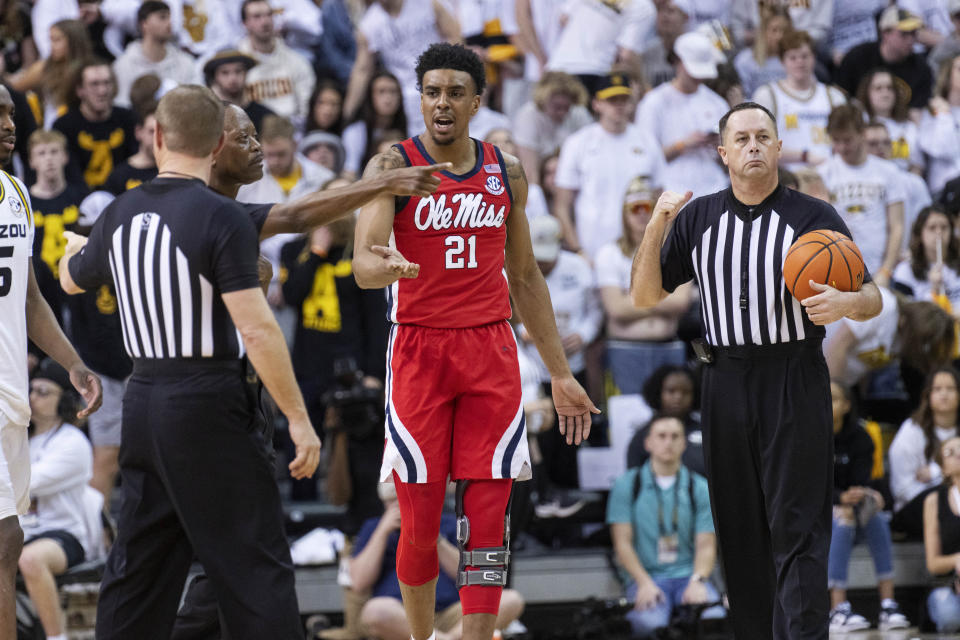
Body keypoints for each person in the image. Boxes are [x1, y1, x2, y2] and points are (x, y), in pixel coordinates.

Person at [170, 101, 452, 639]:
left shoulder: (361, 249)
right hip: (273, 375)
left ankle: (354, 533)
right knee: (243, 545)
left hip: (288, 380)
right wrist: (303, 256)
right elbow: (288, 283)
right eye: (246, 138)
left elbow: (374, 315)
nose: (256, 148)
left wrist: (375, 374)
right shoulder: (293, 241)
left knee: (238, 545)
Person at [59, 85, 321, 640]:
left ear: (156, 136)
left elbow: (70, 278)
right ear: (219, 142)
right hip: (207, 399)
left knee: (138, 569)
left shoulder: (121, 209)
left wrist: (68, 251)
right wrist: (298, 419)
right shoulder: (220, 215)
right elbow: (256, 328)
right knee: (256, 567)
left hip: (142, 400)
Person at [354, 43, 598, 640]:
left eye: (455, 92)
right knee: (418, 520)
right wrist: (389, 268)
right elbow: (363, 264)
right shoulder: (393, 164)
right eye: (432, 91)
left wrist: (562, 373)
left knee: (488, 522)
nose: (443, 102)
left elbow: (526, 277)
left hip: (490, 349)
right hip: (418, 349)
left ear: (475, 102)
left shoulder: (505, 169)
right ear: (420, 99)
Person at [631, 101, 883, 639]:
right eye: (740, 138)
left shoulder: (815, 216)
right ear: (722, 153)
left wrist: (845, 303)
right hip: (723, 381)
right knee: (740, 530)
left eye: (762, 137)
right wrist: (657, 223)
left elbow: (873, 297)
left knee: (798, 526)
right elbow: (644, 294)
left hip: (793, 375)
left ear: (778, 146)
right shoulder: (698, 218)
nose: (752, 146)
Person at [0, 83, 102, 640]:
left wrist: (72, 364)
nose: (9, 124)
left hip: (14, 385)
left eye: (12, 114)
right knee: (6, 539)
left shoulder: (17, 190)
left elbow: (30, 295)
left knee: (8, 540)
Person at [352, 480, 525, 640]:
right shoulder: (374, 527)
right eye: (393, 502)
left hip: (453, 612)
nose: (402, 507)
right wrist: (382, 531)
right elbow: (359, 582)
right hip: (401, 615)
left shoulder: (450, 523)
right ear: (385, 503)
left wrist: (432, 535)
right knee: (375, 611)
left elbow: (468, 574)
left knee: (510, 599)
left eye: (408, 500)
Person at [607, 415, 724, 639]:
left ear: (684, 443)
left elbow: (707, 545)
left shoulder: (699, 487)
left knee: (713, 619)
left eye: (675, 436)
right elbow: (622, 544)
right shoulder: (627, 485)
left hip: (688, 576)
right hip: (647, 577)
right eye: (661, 436)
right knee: (648, 625)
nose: (668, 442)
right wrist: (643, 583)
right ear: (648, 443)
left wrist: (698, 581)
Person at [20, 358, 103, 640]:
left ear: (64, 401)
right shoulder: (20, 440)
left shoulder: (72, 442)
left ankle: (57, 638)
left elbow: (25, 483)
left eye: (43, 392)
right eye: (30, 390)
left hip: (64, 535)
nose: (32, 398)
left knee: (30, 559)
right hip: (21, 532)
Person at [595, 176, 692, 396]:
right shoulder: (609, 254)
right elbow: (616, 310)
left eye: (648, 207)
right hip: (624, 350)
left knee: (670, 423)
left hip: (669, 347)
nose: (642, 213)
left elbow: (681, 302)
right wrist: (660, 295)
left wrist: (636, 298)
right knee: (625, 422)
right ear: (624, 213)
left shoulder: (676, 251)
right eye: (635, 208)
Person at [827, 380, 910, 632]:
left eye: (833, 398)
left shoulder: (861, 437)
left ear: (846, 405)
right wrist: (839, 498)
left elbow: (863, 480)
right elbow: (806, 486)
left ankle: (887, 604)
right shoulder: (807, 437)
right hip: (820, 516)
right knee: (843, 518)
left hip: (852, 507)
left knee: (876, 514)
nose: (826, 404)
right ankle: (837, 609)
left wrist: (862, 494)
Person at [554, 73, 667, 259]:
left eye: (623, 98)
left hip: (640, 249)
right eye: (611, 99)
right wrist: (578, 251)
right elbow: (562, 206)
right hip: (592, 248)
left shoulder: (647, 141)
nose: (618, 104)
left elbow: (659, 198)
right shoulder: (577, 143)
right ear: (596, 104)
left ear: (632, 103)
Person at [635, 30, 730, 199]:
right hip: (671, 190)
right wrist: (682, 145)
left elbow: (730, 161)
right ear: (677, 62)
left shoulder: (717, 103)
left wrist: (721, 146)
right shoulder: (654, 103)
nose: (698, 77)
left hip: (714, 187)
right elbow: (644, 158)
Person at [345, 0, 461, 135]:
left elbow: (454, 37)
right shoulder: (369, 25)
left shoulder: (428, 4)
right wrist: (348, 112)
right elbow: (362, 70)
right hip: (404, 99)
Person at [818, 104, 904, 285]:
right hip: (839, 269)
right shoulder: (824, 173)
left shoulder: (888, 172)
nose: (841, 147)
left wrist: (886, 271)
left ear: (862, 133)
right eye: (836, 140)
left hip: (879, 270)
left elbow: (897, 226)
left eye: (847, 140)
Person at [752, 29, 847, 170]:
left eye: (804, 56)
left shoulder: (833, 96)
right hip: (788, 179)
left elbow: (846, 137)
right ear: (782, 61)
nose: (800, 62)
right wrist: (804, 156)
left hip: (829, 174)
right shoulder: (767, 95)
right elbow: (759, 145)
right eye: (793, 57)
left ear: (814, 57)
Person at [890, 367, 960, 540]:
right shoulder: (912, 430)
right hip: (913, 507)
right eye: (937, 389)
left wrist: (935, 471)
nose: (944, 394)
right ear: (927, 396)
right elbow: (903, 490)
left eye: (950, 389)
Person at [52, 59, 138, 190]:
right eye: (94, 84)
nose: (102, 91)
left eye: (107, 83)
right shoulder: (63, 127)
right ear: (80, 90)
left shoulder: (129, 119)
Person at [836, 7, 933, 113]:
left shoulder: (921, 67)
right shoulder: (857, 58)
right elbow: (839, 97)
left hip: (901, 124)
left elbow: (916, 112)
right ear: (885, 33)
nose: (910, 39)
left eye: (913, 33)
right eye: (904, 34)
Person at [0, 19, 92, 129]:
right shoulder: (45, 67)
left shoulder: (90, 69)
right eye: (51, 40)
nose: (52, 45)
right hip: (54, 128)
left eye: (57, 40)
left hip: (85, 126)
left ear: (74, 41)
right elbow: (15, 89)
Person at [238, 0, 315, 130]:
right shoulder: (237, 64)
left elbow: (306, 109)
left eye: (269, 15)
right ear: (245, 23)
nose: (265, 21)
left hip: (290, 131)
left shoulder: (297, 61)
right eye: (257, 16)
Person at [112, 0, 200, 109]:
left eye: (170, 17)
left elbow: (197, 102)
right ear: (144, 24)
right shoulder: (124, 65)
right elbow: (122, 105)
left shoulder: (185, 63)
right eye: (162, 17)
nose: (169, 23)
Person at [511, 71, 591, 185]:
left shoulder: (579, 113)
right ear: (543, 101)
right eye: (557, 107)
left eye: (567, 107)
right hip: (540, 173)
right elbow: (529, 171)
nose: (562, 113)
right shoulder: (528, 115)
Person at [625, 365, 705, 478]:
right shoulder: (643, 435)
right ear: (658, 393)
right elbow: (633, 479)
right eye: (671, 391)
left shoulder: (705, 431)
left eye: (686, 392)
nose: (678, 397)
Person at [863, 121, 931, 252]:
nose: (881, 148)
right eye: (873, 144)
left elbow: (924, 224)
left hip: (904, 258)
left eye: (886, 142)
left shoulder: (914, 182)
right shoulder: (853, 182)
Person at [923, 435, 960, 633]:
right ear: (943, 467)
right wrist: (957, 560)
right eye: (950, 452)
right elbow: (933, 564)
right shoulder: (934, 500)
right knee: (950, 618)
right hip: (947, 585)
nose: (958, 454)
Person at [894, 205, 960, 314]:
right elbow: (907, 317)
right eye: (932, 227)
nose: (939, 232)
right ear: (920, 233)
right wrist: (933, 291)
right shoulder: (905, 271)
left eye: (944, 227)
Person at [856, 69, 924, 174]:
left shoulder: (909, 127)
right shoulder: (859, 124)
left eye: (890, 88)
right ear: (867, 93)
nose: (885, 93)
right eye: (878, 88)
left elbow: (917, 166)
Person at [342, 71, 407, 178]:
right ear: (370, 96)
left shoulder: (409, 128)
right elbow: (349, 175)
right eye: (381, 92)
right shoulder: (355, 132)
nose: (388, 98)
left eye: (393, 92)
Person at [203, 48, 274, 135]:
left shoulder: (264, 116)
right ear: (215, 78)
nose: (233, 78)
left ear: (246, 74)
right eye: (225, 72)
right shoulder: (207, 117)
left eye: (238, 71)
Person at [919, 53, 960, 197]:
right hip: (943, 191)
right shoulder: (931, 112)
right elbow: (942, 149)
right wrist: (944, 115)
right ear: (948, 75)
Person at [732, 5, 788, 98]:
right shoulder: (744, 61)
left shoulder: (794, 59)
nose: (780, 36)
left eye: (784, 31)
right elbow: (742, 98)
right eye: (774, 30)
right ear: (763, 31)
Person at [102, 106, 159, 195]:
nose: (157, 138)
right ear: (138, 132)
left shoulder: (170, 173)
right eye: (151, 131)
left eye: (162, 132)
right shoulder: (118, 176)